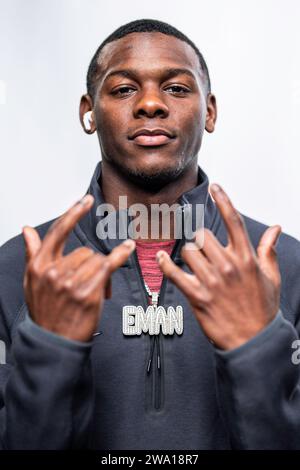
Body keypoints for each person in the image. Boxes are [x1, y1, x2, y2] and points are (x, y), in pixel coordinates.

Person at [0, 18, 300, 450]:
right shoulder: (21, 268)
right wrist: (50, 352)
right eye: (124, 89)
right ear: (88, 112)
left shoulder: (281, 265)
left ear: (209, 111)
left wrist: (256, 351)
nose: (151, 104)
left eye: (177, 88)